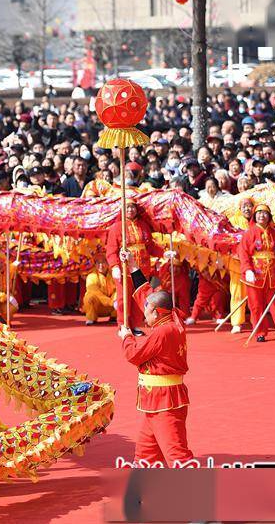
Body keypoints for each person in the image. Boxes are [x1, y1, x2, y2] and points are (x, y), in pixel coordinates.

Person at [118, 254, 194, 467]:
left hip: (164, 403)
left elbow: (133, 355)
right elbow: (149, 297)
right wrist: (134, 268)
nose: (144, 316)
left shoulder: (162, 332)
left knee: (177, 455)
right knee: (145, 455)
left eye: (147, 313)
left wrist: (126, 337)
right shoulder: (174, 317)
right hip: (156, 401)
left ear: (157, 313)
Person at [237, 203, 275, 342]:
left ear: (269, 216)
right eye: (259, 213)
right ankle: (260, 332)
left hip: (273, 274)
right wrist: (248, 270)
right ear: (254, 216)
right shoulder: (249, 233)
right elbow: (243, 253)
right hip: (255, 274)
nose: (261, 215)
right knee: (256, 305)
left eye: (264, 213)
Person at [106, 198, 165, 335]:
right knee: (123, 300)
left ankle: (136, 325)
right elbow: (111, 249)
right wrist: (115, 266)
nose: (130, 210)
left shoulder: (143, 226)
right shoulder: (116, 227)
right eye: (127, 207)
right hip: (124, 269)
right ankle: (123, 326)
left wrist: (164, 253)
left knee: (140, 298)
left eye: (132, 207)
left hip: (141, 269)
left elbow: (150, 247)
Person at [226, 198, 253, 333]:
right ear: (240, 208)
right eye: (244, 206)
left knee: (254, 294)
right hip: (237, 263)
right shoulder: (233, 221)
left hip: (255, 265)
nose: (247, 209)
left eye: (249, 206)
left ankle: (256, 319)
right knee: (237, 294)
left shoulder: (258, 220)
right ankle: (237, 322)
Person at [82, 258, 116, 325]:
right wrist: (110, 302)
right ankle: (91, 318)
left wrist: (115, 300)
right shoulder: (91, 276)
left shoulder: (113, 274)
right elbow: (94, 291)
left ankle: (114, 316)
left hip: (113, 307)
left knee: (120, 294)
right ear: (95, 265)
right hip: (98, 306)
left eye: (103, 262)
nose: (101, 265)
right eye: (98, 263)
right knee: (90, 297)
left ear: (108, 264)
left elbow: (117, 289)